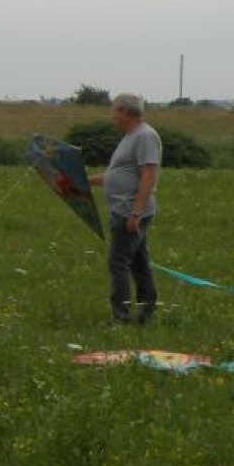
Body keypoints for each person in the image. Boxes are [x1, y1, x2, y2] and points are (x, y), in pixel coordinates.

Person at [89, 93, 161, 325]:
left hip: (129, 212)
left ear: (124, 111)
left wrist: (136, 212)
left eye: (114, 111)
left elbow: (149, 176)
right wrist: (82, 180)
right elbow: (116, 176)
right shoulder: (130, 137)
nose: (112, 117)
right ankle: (146, 313)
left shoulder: (145, 136)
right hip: (125, 211)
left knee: (118, 263)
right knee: (139, 263)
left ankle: (120, 317)